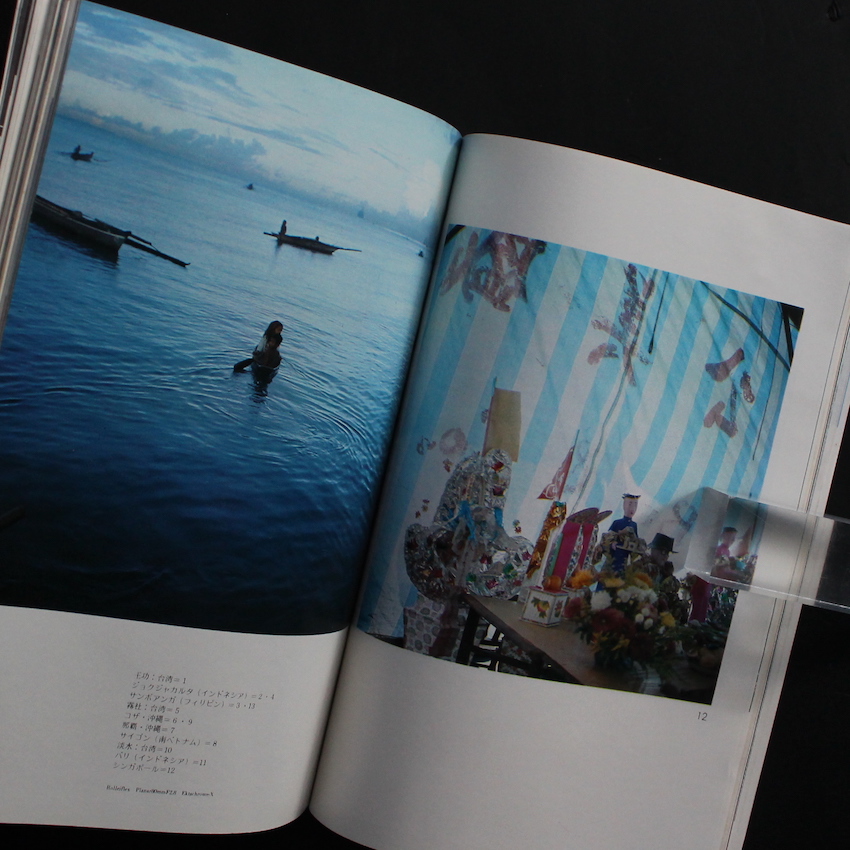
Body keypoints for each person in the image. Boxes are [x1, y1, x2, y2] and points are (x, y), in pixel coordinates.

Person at [608, 493, 640, 572]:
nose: (632, 508)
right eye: (630, 504)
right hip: (615, 552)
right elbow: (608, 536)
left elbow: (636, 540)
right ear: (624, 505)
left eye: (635, 505)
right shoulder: (617, 522)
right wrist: (612, 543)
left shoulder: (634, 525)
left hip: (626, 555)